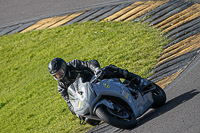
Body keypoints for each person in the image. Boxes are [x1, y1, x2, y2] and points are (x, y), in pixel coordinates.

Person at [48, 58, 151, 125]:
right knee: (88, 119)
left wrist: (96, 69)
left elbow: (88, 64)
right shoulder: (61, 87)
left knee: (110, 69)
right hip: (86, 96)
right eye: (56, 75)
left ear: (64, 67)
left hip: (95, 80)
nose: (59, 76)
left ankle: (138, 80)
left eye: (60, 73)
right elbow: (69, 101)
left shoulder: (74, 64)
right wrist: (76, 112)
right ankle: (111, 112)